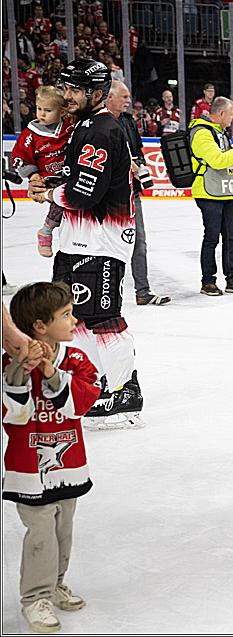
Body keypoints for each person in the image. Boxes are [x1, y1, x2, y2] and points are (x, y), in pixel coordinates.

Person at [27, 58, 143, 431]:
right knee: (75, 319)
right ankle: (97, 385)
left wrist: (49, 194)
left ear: (96, 93)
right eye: (67, 88)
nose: (68, 95)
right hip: (77, 242)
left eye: (75, 89)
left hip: (100, 243)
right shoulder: (85, 127)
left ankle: (126, 393)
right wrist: (48, 182)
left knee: (103, 319)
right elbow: (75, 179)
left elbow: (83, 195)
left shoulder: (100, 130)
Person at [3, 281, 101, 634]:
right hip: (29, 469)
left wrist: (50, 372)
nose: (75, 321)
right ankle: (35, 597)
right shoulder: (11, 363)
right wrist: (21, 369)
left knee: (63, 531)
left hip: (68, 466)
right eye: (67, 315)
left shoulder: (74, 360)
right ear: (39, 326)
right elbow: (12, 413)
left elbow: (82, 403)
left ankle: (55, 583)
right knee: (40, 533)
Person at [106, 79, 171, 307]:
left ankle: (142, 291)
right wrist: (126, 164)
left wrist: (139, 166)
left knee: (138, 241)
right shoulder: (94, 123)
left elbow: (138, 151)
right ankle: (106, 294)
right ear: (109, 97)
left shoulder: (128, 121)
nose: (128, 101)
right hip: (105, 195)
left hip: (131, 192)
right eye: (124, 97)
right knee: (106, 244)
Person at [188, 96, 233, 296]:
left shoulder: (219, 133)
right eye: (232, 113)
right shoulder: (201, 133)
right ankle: (208, 281)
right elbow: (217, 160)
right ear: (221, 113)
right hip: (208, 192)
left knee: (231, 237)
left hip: (226, 191)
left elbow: (224, 159)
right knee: (211, 238)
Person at [10, 86, 73, 259]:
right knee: (62, 198)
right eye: (39, 109)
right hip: (49, 180)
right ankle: (46, 230)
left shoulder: (69, 125)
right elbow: (20, 156)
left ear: (62, 112)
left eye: (48, 110)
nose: (42, 114)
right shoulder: (30, 134)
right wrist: (32, 175)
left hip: (69, 175)